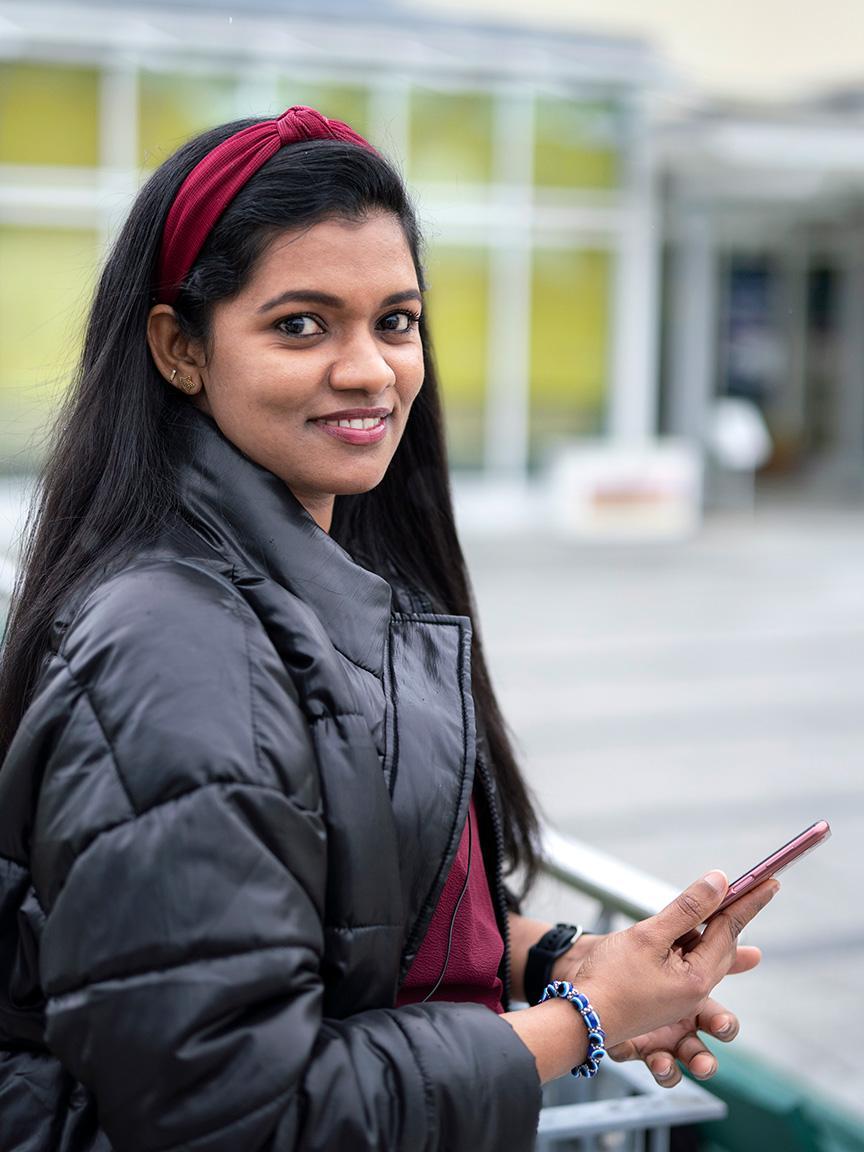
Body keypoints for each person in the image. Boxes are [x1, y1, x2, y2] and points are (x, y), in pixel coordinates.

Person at [0, 106, 776, 1152]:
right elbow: (232, 1112)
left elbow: (330, 917)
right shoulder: (178, 650)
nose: (370, 369)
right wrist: (582, 1024)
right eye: (301, 325)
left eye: (396, 321)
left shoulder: (318, 586)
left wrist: (561, 959)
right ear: (180, 348)